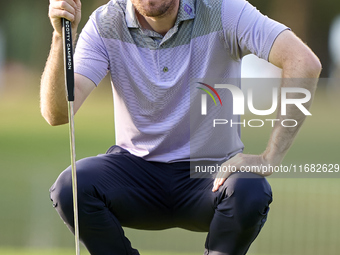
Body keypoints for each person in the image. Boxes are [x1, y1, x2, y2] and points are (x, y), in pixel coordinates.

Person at [40, 0, 321, 254]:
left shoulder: (223, 10)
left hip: (210, 176)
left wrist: (270, 157)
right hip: (135, 174)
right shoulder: (106, 22)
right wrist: (59, 37)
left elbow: (303, 63)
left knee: (249, 188)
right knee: (72, 187)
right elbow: (57, 113)